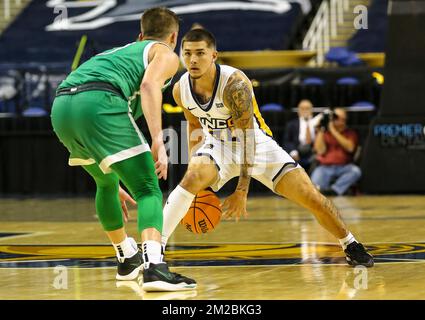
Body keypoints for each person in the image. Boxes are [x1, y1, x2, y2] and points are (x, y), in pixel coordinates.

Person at [160, 29, 374, 267]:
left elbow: (248, 139)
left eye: (200, 53)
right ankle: (155, 252)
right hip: (217, 145)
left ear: (214, 55)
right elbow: (193, 125)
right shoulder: (180, 89)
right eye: (187, 53)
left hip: (257, 146)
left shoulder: (234, 85)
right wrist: (194, 166)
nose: (193, 59)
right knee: (190, 178)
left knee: (312, 198)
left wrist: (241, 191)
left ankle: (350, 243)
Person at [50, 7, 196, 292]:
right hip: (99, 101)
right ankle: (154, 266)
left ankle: (127, 258)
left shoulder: (115, 54)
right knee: (147, 188)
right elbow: (149, 85)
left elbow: (129, 104)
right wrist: (158, 141)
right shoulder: (165, 53)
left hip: (61, 107)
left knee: (106, 182)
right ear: (174, 37)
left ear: (139, 35)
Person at [311, 108, 362, 196]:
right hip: (325, 167)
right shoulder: (325, 133)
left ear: (344, 120)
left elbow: (350, 148)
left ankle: (335, 190)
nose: (335, 120)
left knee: (356, 171)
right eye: (334, 118)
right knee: (315, 186)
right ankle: (324, 191)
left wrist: (333, 130)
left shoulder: (350, 133)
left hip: (344, 166)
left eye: (337, 118)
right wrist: (321, 129)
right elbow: (320, 151)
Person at [283, 99, 320, 171]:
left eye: (307, 108)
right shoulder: (291, 125)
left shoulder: (317, 123)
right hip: (297, 152)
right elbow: (287, 141)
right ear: (298, 111)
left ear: (312, 110)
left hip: (313, 153)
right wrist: (293, 152)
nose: (305, 110)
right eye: (302, 108)